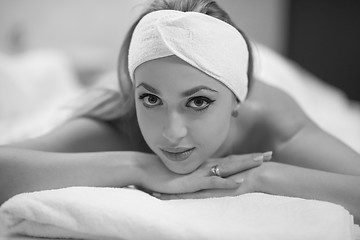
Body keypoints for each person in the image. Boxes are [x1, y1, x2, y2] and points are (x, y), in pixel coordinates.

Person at [0, 0, 359, 224]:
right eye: (152, 100)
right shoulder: (119, 119)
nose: (172, 133)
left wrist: (260, 177)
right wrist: (139, 166)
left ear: (236, 99)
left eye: (199, 102)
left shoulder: (274, 122)